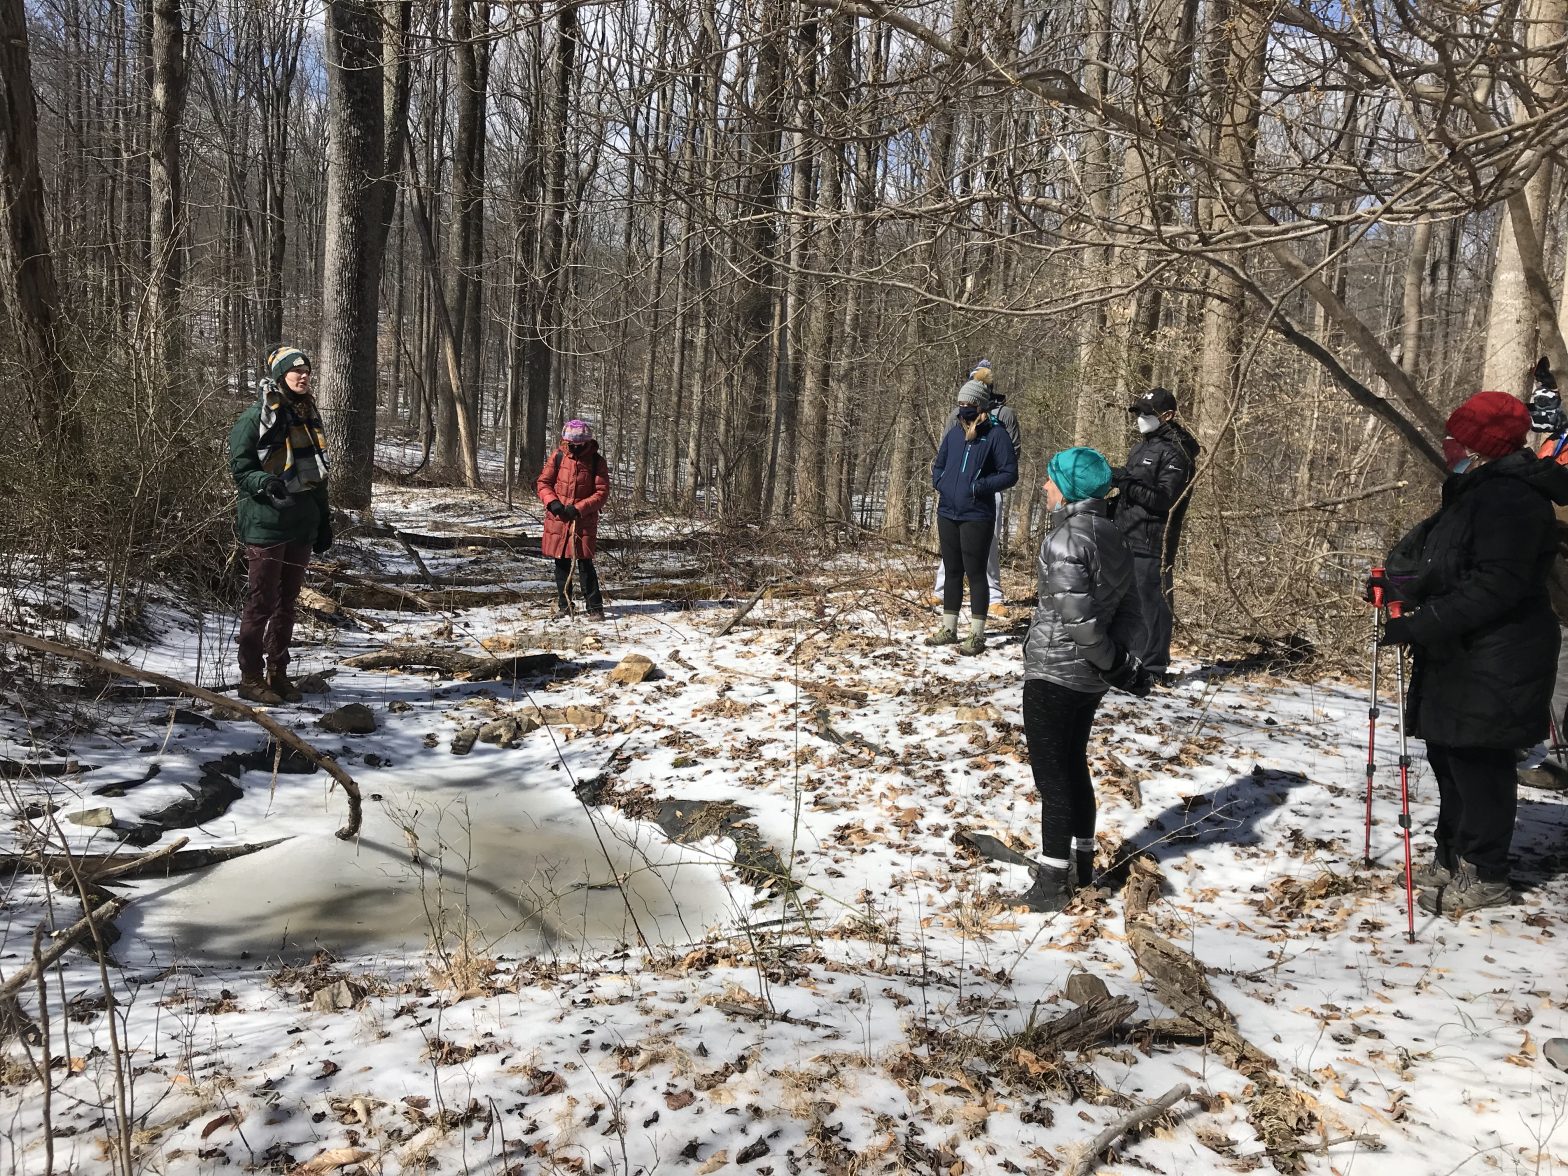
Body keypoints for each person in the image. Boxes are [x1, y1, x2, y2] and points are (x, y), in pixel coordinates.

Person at [1374, 390, 1568, 915]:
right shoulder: (1469, 491)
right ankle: (1452, 849)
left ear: (1481, 444)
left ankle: (1486, 871)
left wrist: (1422, 625)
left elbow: (1496, 584)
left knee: (1479, 761)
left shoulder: (1515, 499)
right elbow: (1441, 562)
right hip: (1460, 650)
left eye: (1459, 435)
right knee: (1446, 752)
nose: (1450, 443)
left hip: (1500, 654)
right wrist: (1397, 585)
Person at [1016, 447, 1150, 913]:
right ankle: (1084, 863)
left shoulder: (1066, 540)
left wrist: (1110, 662)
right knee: (1074, 764)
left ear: (1069, 488)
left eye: (1051, 480)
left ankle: (1052, 881)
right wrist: (1116, 663)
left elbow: (1079, 621)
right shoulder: (1113, 534)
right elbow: (1133, 610)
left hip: (1056, 672)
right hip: (1089, 677)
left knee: (1052, 777)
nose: (1045, 486)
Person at [228, 345, 333, 704]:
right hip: (266, 523)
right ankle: (250, 677)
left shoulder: (307, 416)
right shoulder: (256, 417)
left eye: (306, 370)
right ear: (279, 375)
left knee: (287, 604)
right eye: (295, 370)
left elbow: (318, 476)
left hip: (300, 524)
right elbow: (241, 468)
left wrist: (324, 521)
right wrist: (265, 483)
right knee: (262, 602)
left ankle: (278, 673)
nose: (303, 376)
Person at [1111, 387, 1199, 684]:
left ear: (1167, 416)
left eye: (1146, 414)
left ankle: (1153, 667)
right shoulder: (1142, 447)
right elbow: (1134, 487)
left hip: (1154, 539)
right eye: (1137, 413)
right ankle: (1130, 658)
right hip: (1127, 532)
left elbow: (1164, 499)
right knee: (1128, 600)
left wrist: (1125, 483)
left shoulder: (1178, 453)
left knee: (1152, 601)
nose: (1140, 419)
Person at [928, 381, 1018, 654]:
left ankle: (977, 633)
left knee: (976, 573)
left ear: (980, 405)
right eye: (960, 404)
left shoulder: (996, 435)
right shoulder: (955, 433)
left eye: (968, 404)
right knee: (953, 571)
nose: (963, 408)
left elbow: (1009, 473)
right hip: (947, 511)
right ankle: (949, 628)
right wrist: (940, 482)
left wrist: (979, 487)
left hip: (977, 513)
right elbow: (940, 464)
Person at [537, 420, 610, 620]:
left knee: (585, 564)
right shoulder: (558, 456)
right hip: (558, 520)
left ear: (587, 443)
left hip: (583, 521)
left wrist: (578, 509)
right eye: (571, 444)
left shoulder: (597, 462)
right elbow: (544, 483)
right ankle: (565, 605)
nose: (574, 447)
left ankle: (595, 608)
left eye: (579, 444)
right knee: (561, 564)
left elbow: (601, 493)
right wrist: (552, 503)